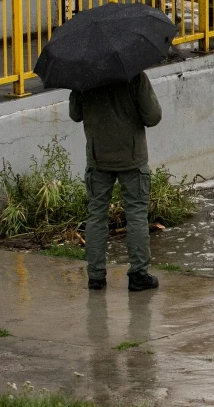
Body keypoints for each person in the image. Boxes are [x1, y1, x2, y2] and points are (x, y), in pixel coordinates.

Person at [71, 72, 163, 292]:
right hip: (132, 156)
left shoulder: (82, 75)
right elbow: (153, 116)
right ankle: (138, 275)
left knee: (96, 216)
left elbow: (75, 114)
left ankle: (95, 277)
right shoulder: (134, 75)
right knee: (136, 215)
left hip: (98, 157)